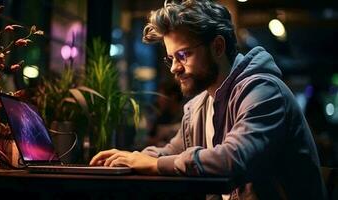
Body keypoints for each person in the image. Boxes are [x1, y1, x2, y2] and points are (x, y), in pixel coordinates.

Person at [90, 0, 327, 199]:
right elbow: (171, 151)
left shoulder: (263, 91)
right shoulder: (199, 105)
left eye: (183, 55)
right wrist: (129, 158)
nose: (174, 68)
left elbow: (233, 159)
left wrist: (153, 164)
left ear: (217, 46)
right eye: (171, 58)